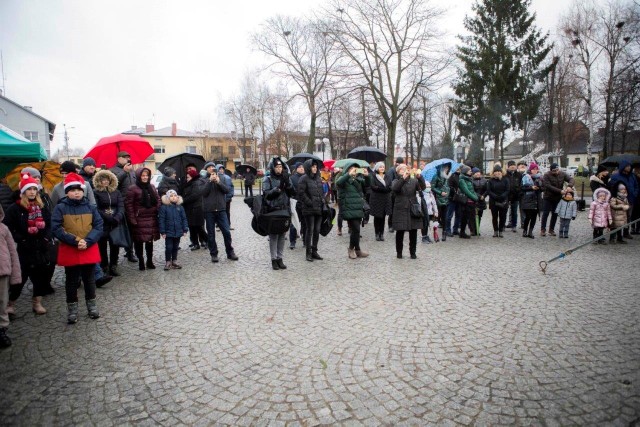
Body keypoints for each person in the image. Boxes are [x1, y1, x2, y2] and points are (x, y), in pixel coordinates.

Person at [51, 172, 103, 324]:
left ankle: (92, 307)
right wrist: (75, 241)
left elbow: (98, 226)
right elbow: (56, 227)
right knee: (72, 280)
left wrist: (88, 240)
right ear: (67, 191)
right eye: (73, 190)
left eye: (79, 190)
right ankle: (72, 309)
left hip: (89, 246)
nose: (76, 192)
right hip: (70, 247)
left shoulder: (91, 207)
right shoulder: (61, 207)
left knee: (89, 279)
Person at [3, 174, 52, 316]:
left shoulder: (41, 206)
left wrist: (46, 238)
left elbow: (49, 224)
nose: (32, 192)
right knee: (19, 278)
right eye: (29, 189)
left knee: (40, 277)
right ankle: (11, 303)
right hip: (24, 249)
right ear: (23, 191)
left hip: (40, 247)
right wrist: (21, 239)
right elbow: (8, 228)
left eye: (34, 189)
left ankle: (37, 302)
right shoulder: (15, 208)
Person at [202, 162, 238, 263]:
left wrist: (218, 182)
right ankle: (214, 254)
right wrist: (209, 182)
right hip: (209, 211)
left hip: (221, 210)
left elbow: (226, 190)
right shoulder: (203, 179)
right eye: (209, 167)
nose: (211, 169)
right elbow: (203, 193)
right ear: (206, 170)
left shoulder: (221, 178)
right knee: (211, 234)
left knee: (226, 232)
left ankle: (230, 252)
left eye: (213, 167)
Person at [125, 168, 161, 270]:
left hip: (151, 218)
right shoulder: (133, 188)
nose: (145, 177)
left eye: (147, 175)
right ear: (139, 176)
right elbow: (129, 205)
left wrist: (158, 208)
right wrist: (132, 219)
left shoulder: (152, 187)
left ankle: (149, 261)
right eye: (143, 176)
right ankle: (141, 261)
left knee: (150, 241)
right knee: (139, 242)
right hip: (139, 219)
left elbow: (158, 199)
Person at [262, 157, 295, 269]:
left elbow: (292, 193)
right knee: (274, 236)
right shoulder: (268, 179)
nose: (279, 169)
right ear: (273, 167)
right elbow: (267, 195)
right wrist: (279, 187)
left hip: (285, 210)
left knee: (282, 235)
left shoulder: (286, 178)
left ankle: (280, 258)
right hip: (273, 210)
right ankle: (273, 259)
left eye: (281, 166)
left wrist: (288, 184)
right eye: (277, 167)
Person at [391, 164, 427, 258]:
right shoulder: (396, 181)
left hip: (412, 207)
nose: (405, 171)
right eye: (402, 170)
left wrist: (419, 177)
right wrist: (403, 178)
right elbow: (395, 189)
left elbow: (423, 187)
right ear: (398, 172)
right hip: (400, 208)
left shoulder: (414, 180)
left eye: (406, 169)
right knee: (400, 231)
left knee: (413, 231)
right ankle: (399, 252)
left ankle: (413, 252)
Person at [93, 169, 124, 277]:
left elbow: (121, 206)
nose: (105, 182)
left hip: (115, 222)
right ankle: (104, 266)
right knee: (102, 245)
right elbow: (96, 208)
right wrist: (107, 217)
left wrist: (117, 217)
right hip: (103, 222)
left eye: (107, 179)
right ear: (99, 181)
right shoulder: (96, 192)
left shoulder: (116, 192)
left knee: (115, 244)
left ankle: (113, 265)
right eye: (103, 180)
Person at [336, 164, 370, 259]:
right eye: (351, 168)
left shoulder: (358, 180)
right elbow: (338, 183)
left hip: (358, 207)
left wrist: (367, 176)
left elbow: (367, 185)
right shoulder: (344, 179)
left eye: (355, 169)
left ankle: (358, 250)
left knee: (356, 230)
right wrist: (349, 174)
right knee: (356, 230)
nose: (354, 170)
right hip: (349, 208)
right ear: (347, 170)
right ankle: (351, 249)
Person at [110, 151, 138, 263]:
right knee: (122, 229)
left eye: (129, 157)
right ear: (119, 159)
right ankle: (119, 255)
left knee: (132, 229)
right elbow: (113, 185)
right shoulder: (112, 171)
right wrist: (123, 172)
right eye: (125, 157)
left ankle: (130, 252)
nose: (128, 159)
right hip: (121, 204)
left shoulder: (132, 171)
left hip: (133, 204)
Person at [0, 204, 21, 348]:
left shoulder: (3, 229)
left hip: (2, 270)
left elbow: (13, 253)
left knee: (2, 301)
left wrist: (16, 274)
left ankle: (2, 329)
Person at [298, 159, 325, 262]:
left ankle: (314, 251)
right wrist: (310, 202)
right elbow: (301, 193)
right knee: (310, 230)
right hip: (308, 209)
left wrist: (322, 201)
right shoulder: (303, 179)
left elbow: (321, 191)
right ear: (309, 167)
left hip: (318, 208)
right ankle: (308, 253)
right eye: (313, 166)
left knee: (317, 230)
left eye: (316, 167)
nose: (315, 168)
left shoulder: (318, 178)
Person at [540, 163, 574, 236]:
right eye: (554, 170)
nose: (556, 172)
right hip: (548, 197)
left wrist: (569, 186)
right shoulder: (546, 175)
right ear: (551, 170)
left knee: (555, 214)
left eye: (557, 170)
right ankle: (543, 229)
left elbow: (571, 179)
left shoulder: (562, 174)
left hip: (557, 198)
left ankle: (551, 229)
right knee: (545, 214)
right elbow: (548, 186)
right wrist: (560, 191)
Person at [159, 190, 189, 270]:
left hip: (178, 231)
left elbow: (184, 219)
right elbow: (161, 220)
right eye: (171, 196)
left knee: (175, 247)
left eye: (174, 195)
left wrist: (185, 229)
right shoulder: (164, 208)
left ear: (177, 197)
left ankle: (174, 260)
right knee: (169, 247)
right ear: (168, 198)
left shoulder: (180, 207)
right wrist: (163, 231)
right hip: (168, 232)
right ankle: (168, 261)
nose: (173, 197)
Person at [608, 160, 638, 239]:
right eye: (627, 166)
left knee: (628, 217)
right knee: (617, 217)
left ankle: (626, 232)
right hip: (619, 200)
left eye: (630, 166)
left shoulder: (632, 176)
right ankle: (616, 235)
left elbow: (636, 186)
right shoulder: (615, 176)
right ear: (623, 166)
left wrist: (634, 194)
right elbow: (611, 186)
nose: (629, 167)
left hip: (630, 199)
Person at [181, 164, 208, 250]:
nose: (187, 178)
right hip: (189, 209)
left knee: (199, 227)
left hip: (196, 209)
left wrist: (183, 200)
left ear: (192, 177)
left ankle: (208, 241)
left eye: (188, 177)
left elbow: (195, 195)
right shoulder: (187, 183)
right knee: (191, 227)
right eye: (187, 177)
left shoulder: (196, 183)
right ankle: (195, 243)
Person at [369, 161, 393, 241]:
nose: (382, 168)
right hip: (376, 199)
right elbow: (373, 186)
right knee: (377, 217)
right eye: (380, 167)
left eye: (383, 167)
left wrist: (386, 189)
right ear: (377, 168)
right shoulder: (373, 176)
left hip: (385, 199)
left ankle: (381, 233)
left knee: (383, 217)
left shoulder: (387, 176)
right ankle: (377, 233)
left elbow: (390, 186)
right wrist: (382, 189)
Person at [486, 165, 510, 238]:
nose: (497, 173)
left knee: (502, 217)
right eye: (496, 171)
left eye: (499, 171)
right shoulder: (491, 180)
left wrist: (503, 196)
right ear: (493, 172)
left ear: (501, 172)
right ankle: (495, 231)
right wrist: (495, 196)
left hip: (503, 201)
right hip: (493, 201)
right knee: (494, 217)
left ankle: (501, 231)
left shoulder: (506, 179)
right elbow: (489, 190)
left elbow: (508, 189)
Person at [520, 163, 542, 238]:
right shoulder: (526, 177)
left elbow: (543, 188)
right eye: (533, 169)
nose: (535, 171)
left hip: (537, 199)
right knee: (528, 216)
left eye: (536, 169)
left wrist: (539, 187)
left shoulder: (540, 178)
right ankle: (525, 230)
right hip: (528, 199)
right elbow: (522, 188)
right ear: (530, 170)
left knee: (534, 217)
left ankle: (530, 231)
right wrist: (531, 188)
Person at [457, 165, 479, 239]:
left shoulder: (469, 179)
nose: (471, 172)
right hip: (466, 201)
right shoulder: (462, 180)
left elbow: (472, 190)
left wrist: (475, 196)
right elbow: (466, 191)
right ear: (465, 171)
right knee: (464, 217)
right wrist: (475, 198)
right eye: (469, 171)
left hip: (471, 201)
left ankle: (472, 231)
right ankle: (462, 232)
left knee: (469, 217)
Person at [431, 164, 451, 241]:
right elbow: (433, 187)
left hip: (446, 199)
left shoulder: (447, 176)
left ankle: (444, 233)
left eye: (447, 168)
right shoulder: (436, 176)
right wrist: (440, 192)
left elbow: (449, 186)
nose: (447, 169)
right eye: (445, 168)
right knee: (437, 217)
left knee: (444, 217)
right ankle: (435, 234)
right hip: (438, 199)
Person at [289, 162, 306, 249]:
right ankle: (292, 241)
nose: (302, 168)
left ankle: (305, 241)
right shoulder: (292, 178)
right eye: (299, 167)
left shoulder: (307, 177)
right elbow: (290, 190)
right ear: (296, 169)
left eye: (303, 167)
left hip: (305, 204)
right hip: (295, 203)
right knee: (294, 223)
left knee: (305, 223)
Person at [385, 157, 404, 232]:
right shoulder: (391, 170)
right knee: (392, 210)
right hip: (393, 194)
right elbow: (389, 182)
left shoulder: (402, 170)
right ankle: (391, 225)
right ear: (397, 163)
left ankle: (399, 225)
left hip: (401, 193)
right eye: (401, 163)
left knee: (400, 210)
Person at [504, 160, 522, 232]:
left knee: (514, 211)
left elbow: (521, 184)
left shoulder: (519, 175)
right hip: (506, 195)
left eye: (514, 166)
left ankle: (514, 225)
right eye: (511, 166)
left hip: (516, 195)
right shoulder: (504, 175)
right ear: (508, 167)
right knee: (504, 211)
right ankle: (502, 225)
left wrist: (519, 191)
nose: (512, 167)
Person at [217, 165, 234, 229]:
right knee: (219, 213)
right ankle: (219, 225)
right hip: (220, 199)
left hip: (227, 199)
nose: (221, 170)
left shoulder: (228, 178)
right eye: (220, 169)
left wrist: (230, 195)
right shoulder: (216, 178)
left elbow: (231, 187)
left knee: (227, 212)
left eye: (222, 169)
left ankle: (228, 225)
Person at [446, 167, 461, 236]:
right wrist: (454, 190)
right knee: (449, 215)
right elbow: (449, 186)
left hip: (459, 198)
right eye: (457, 169)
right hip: (452, 198)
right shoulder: (451, 176)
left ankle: (455, 229)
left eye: (459, 169)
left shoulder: (461, 176)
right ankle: (447, 230)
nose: (458, 170)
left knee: (458, 215)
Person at [471, 167, 488, 233]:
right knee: (473, 216)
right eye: (476, 173)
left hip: (481, 201)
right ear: (473, 174)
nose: (477, 174)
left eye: (478, 172)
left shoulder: (484, 180)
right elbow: (472, 190)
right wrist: (479, 196)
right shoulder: (471, 180)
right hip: (474, 200)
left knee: (479, 216)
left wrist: (484, 195)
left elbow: (487, 189)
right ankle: (473, 230)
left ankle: (477, 229)